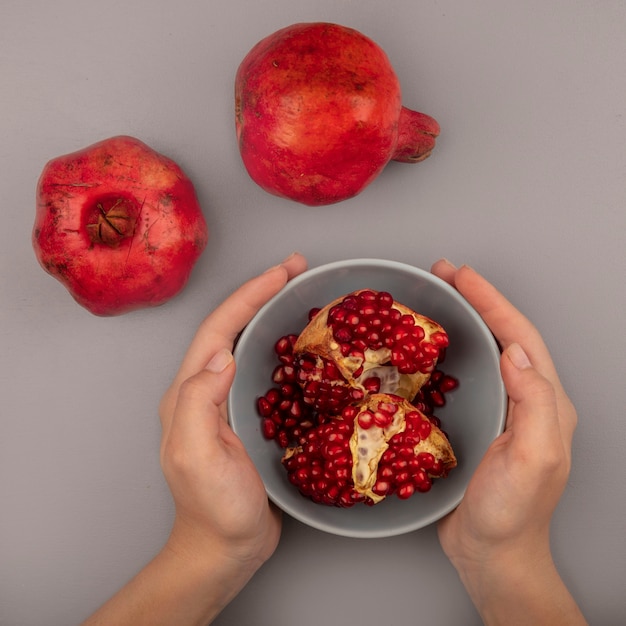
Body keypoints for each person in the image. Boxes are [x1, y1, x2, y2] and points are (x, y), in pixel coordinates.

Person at [82, 253, 588, 626]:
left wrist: (213, 548)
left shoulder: (372, 389)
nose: (378, 409)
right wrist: (505, 558)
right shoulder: (366, 389)